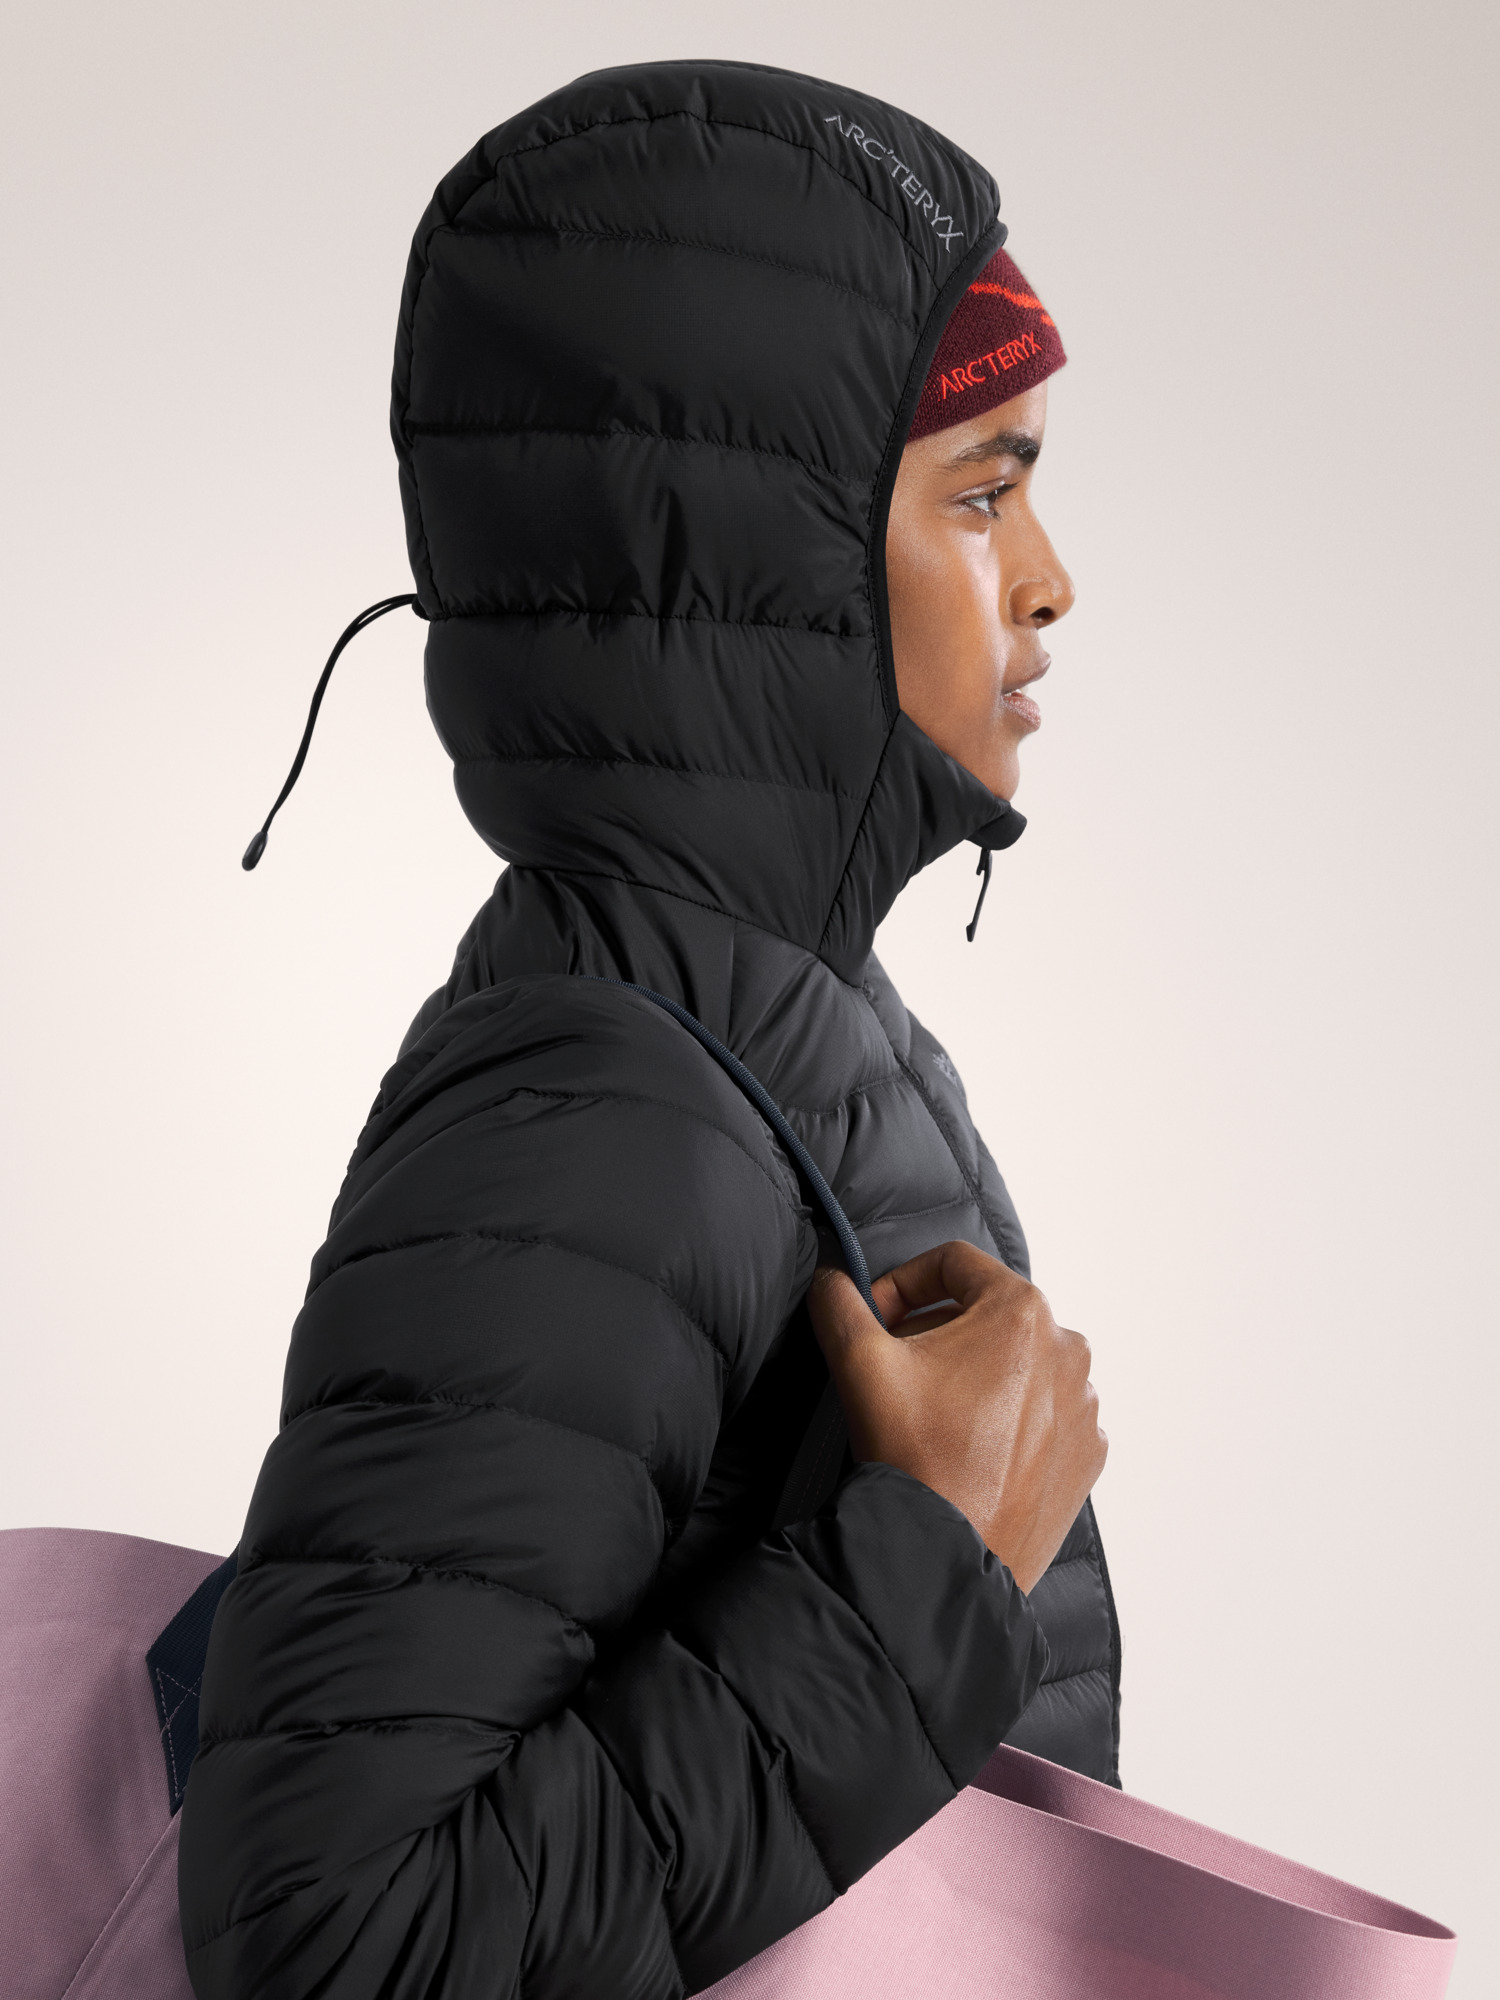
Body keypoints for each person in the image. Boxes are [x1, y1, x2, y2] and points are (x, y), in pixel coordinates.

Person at [179, 60, 1117, 2000]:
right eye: (983, 492)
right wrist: (921, 1573)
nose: (1048, 580)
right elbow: (330, 1943)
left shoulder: (783, 1028)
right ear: (776, 560)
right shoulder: (612, 1097)